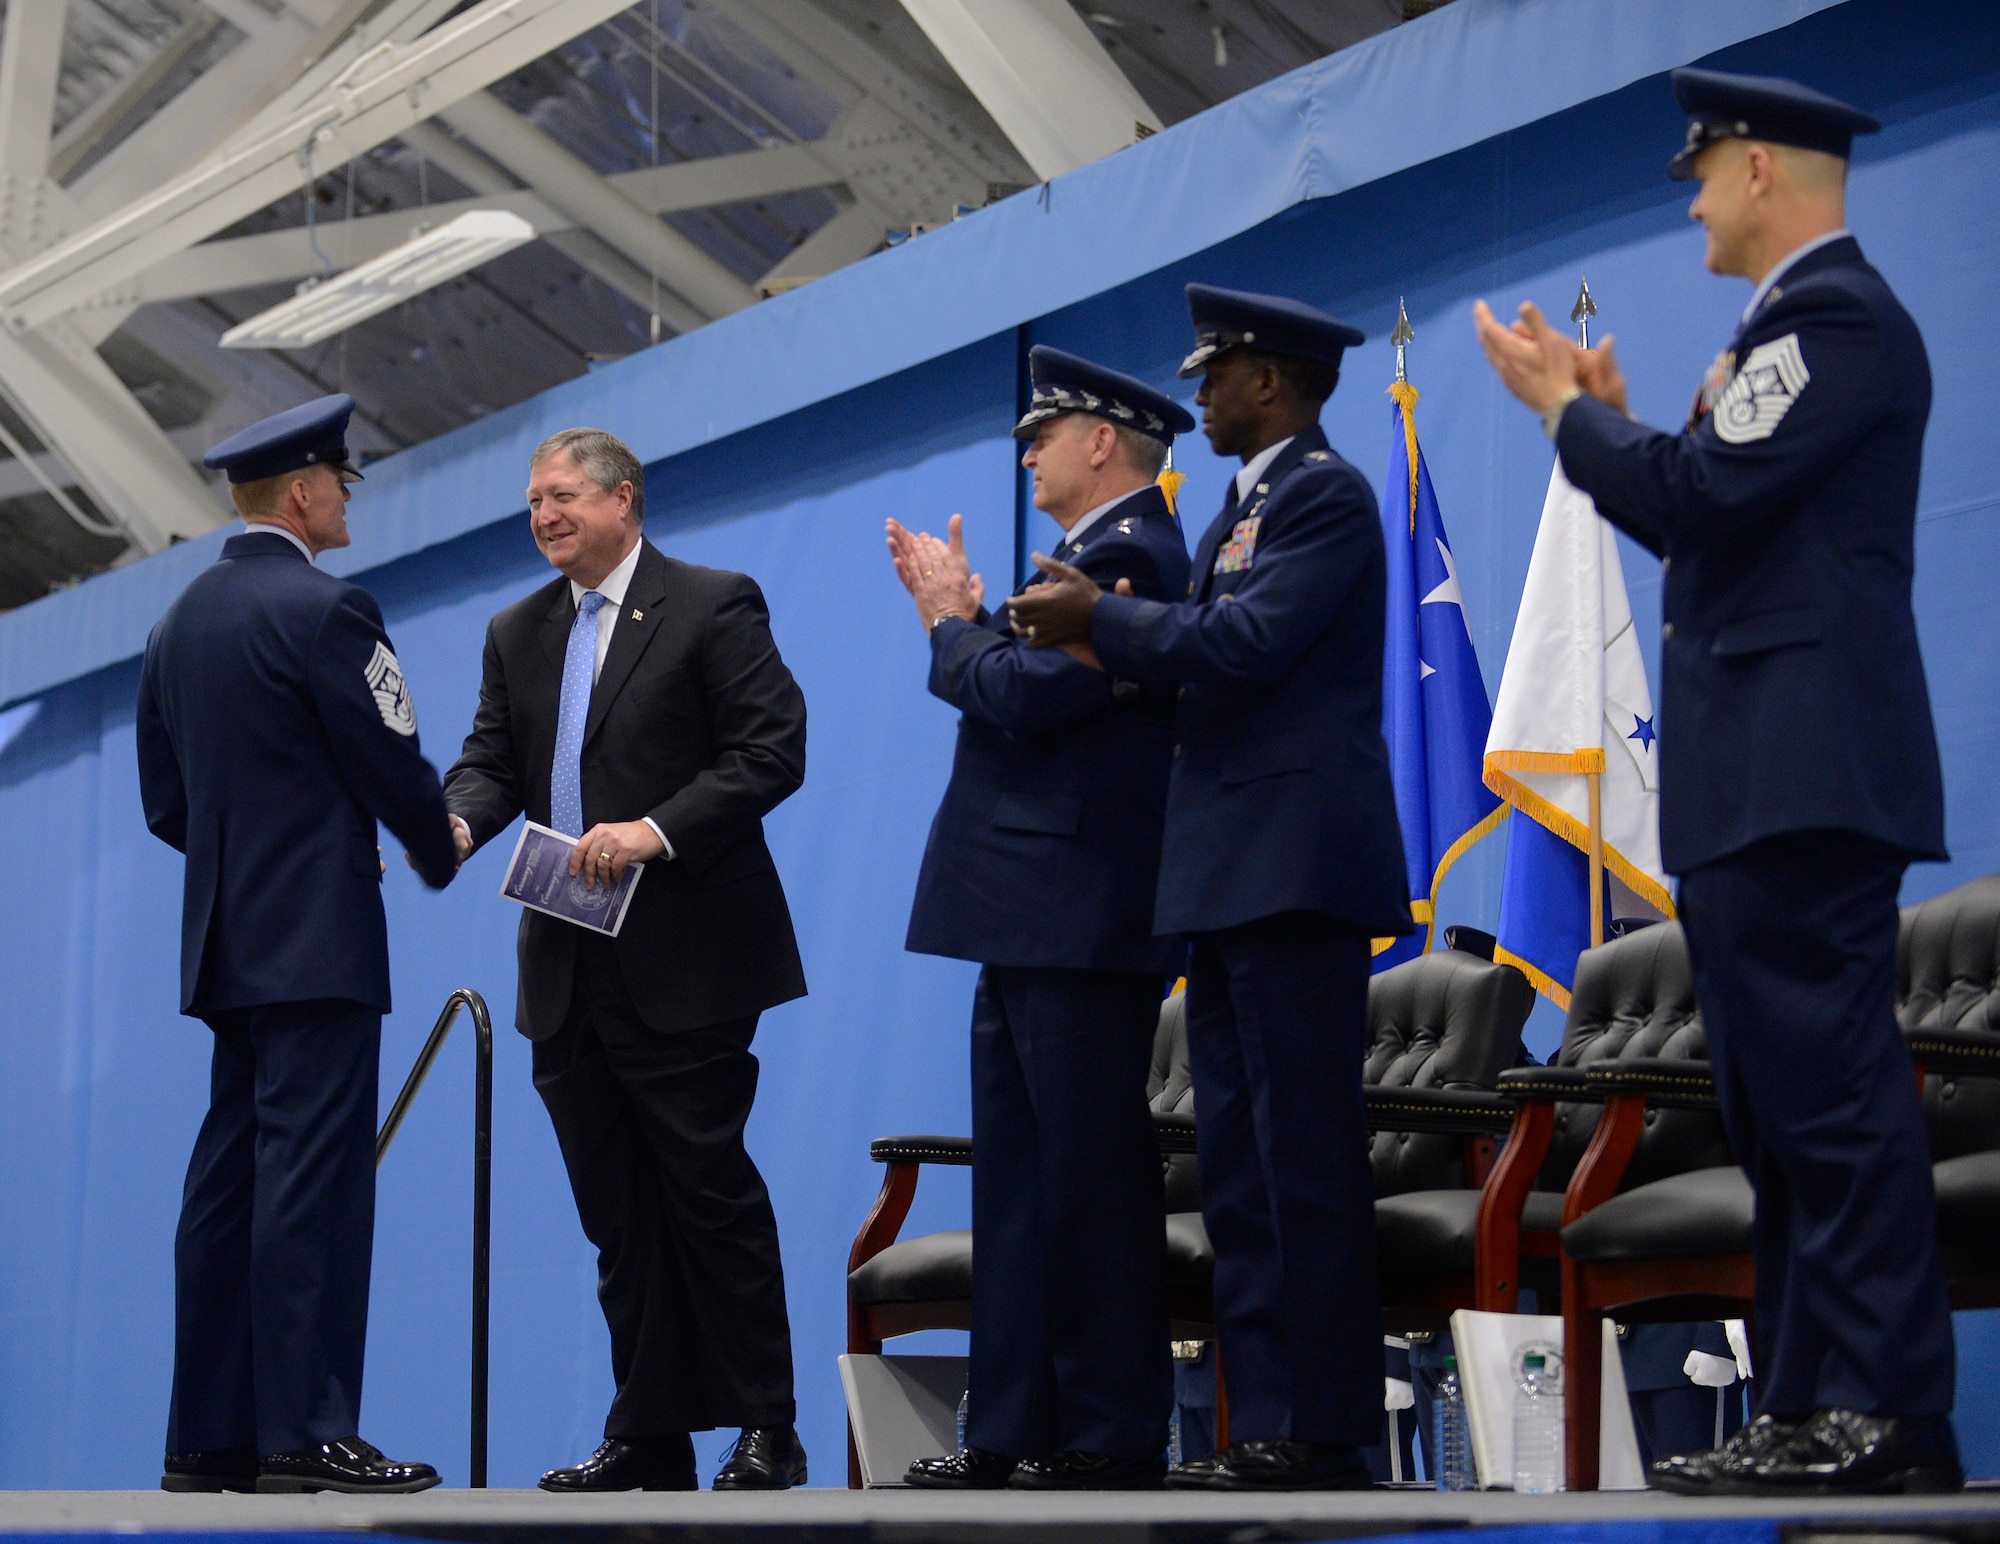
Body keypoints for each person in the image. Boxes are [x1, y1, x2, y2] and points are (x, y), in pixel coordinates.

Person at [1472, 68, 1960, 1496]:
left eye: (1702, 169)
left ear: (1759, 169)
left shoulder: (1837, 320)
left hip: (1806, 776)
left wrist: (1572, 416)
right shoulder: (1779, 338)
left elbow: (1699, 497)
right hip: (1757, 782)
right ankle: (1812, 1400)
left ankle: (1887, 1408)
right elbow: (1703, 501)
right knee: (1773, 1105)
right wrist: (1622, 431)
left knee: (1830, 1099)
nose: (1687, 196)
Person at [1010, 286, 1412, 1490]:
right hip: (1229, 867)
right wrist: (1103, 639)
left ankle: (1323, 1427)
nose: (1197, 393)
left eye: (1215, 373)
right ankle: (1264, 1419)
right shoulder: (1243, 503)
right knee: (1238, 1160)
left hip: (1295, 867)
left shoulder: (1324, 495)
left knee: (1302, 1155)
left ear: (1270, 383)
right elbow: (1196, 659)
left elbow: (1246, 647)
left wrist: (1106, 623)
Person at [444, 428, 810, 1492]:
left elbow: (770, 748)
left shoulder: (710, 601)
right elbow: (489, 763)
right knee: (617, 1210)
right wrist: (458, 825)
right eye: (532, 501)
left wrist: (652, 829)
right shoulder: (516, 631)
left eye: (560, 495)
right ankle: (648, 1430)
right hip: (563, 958)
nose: (543, 515)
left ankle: (764, 1425)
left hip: (685, 953)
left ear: (621, 497)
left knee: (707, 1191)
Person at [137, 393, 459, 1495]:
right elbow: (392, 759)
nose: (343, 501)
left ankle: (205, 1436)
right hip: (319, 936)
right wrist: (429, 839)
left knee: (226, 1182)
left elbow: (166, 802)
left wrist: (253, 849)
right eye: (340, 485)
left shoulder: (177, 621)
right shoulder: (328, 609)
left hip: (226, 943)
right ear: (305, 492)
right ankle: (306, 1429)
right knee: (312, 1185)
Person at [886, 346, 1194, 1491]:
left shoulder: (1131, 555)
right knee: (1018, 1181)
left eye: (1043, 433)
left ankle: (1107, 1428)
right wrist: (973, 625)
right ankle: (1009, 1426)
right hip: (1030, 906)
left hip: (1078, 904)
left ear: (1100, 442)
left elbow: (1028, 695)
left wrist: (948, 621)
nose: (1027, 451)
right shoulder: (1079, 556)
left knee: (1087, 1177)